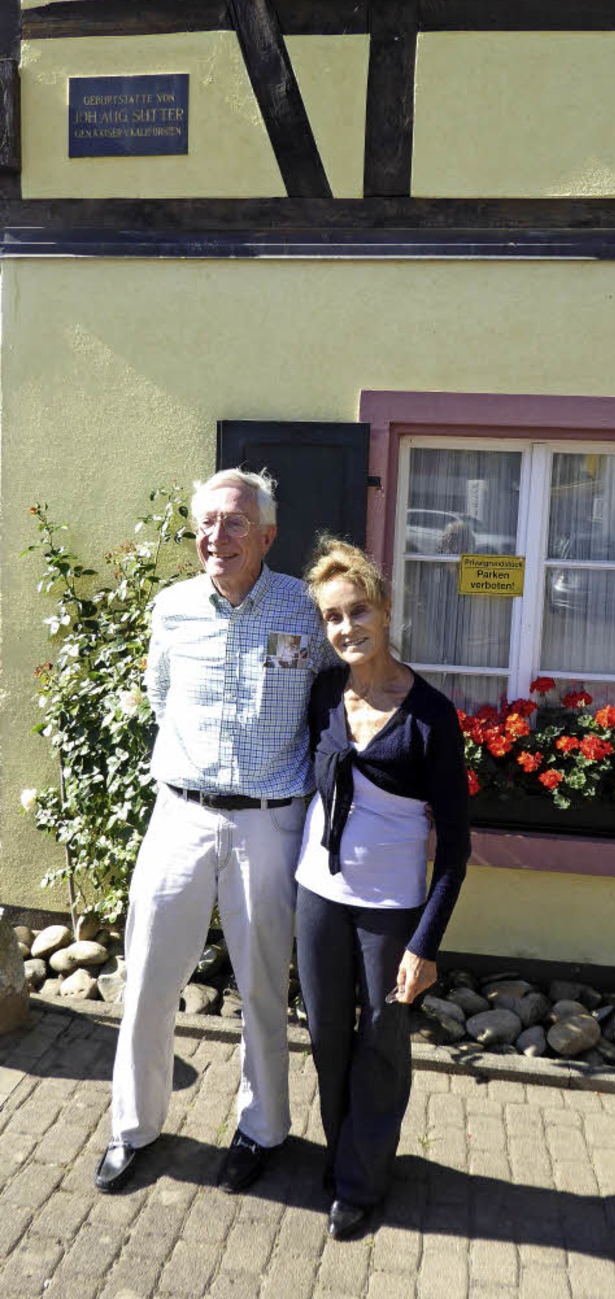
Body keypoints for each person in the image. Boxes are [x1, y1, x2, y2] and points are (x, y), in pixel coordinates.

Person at [95, 468, 334, 1194]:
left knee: (262, 984)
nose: (216, 537)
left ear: (266, 534)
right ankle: (134, 1127)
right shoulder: (171, 608)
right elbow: (161, 695)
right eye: (206, 523)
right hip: (182, 815)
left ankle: (262, 1129)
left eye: (234, 523)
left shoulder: (305, 608)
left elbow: (334, 697)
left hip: (269, 821)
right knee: (148, 979)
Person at [295, 538, 471, 1239]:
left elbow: (455, 849)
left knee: (383, 1041)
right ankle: (344, 1155)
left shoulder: (432, 716)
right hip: (317, 894)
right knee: (328, 1035)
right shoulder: (321, 694)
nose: (345, 629)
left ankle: (363, 1181)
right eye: (332, 617)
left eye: (357, 610)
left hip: (391, 910)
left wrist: (426, 943)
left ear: (385, 607)